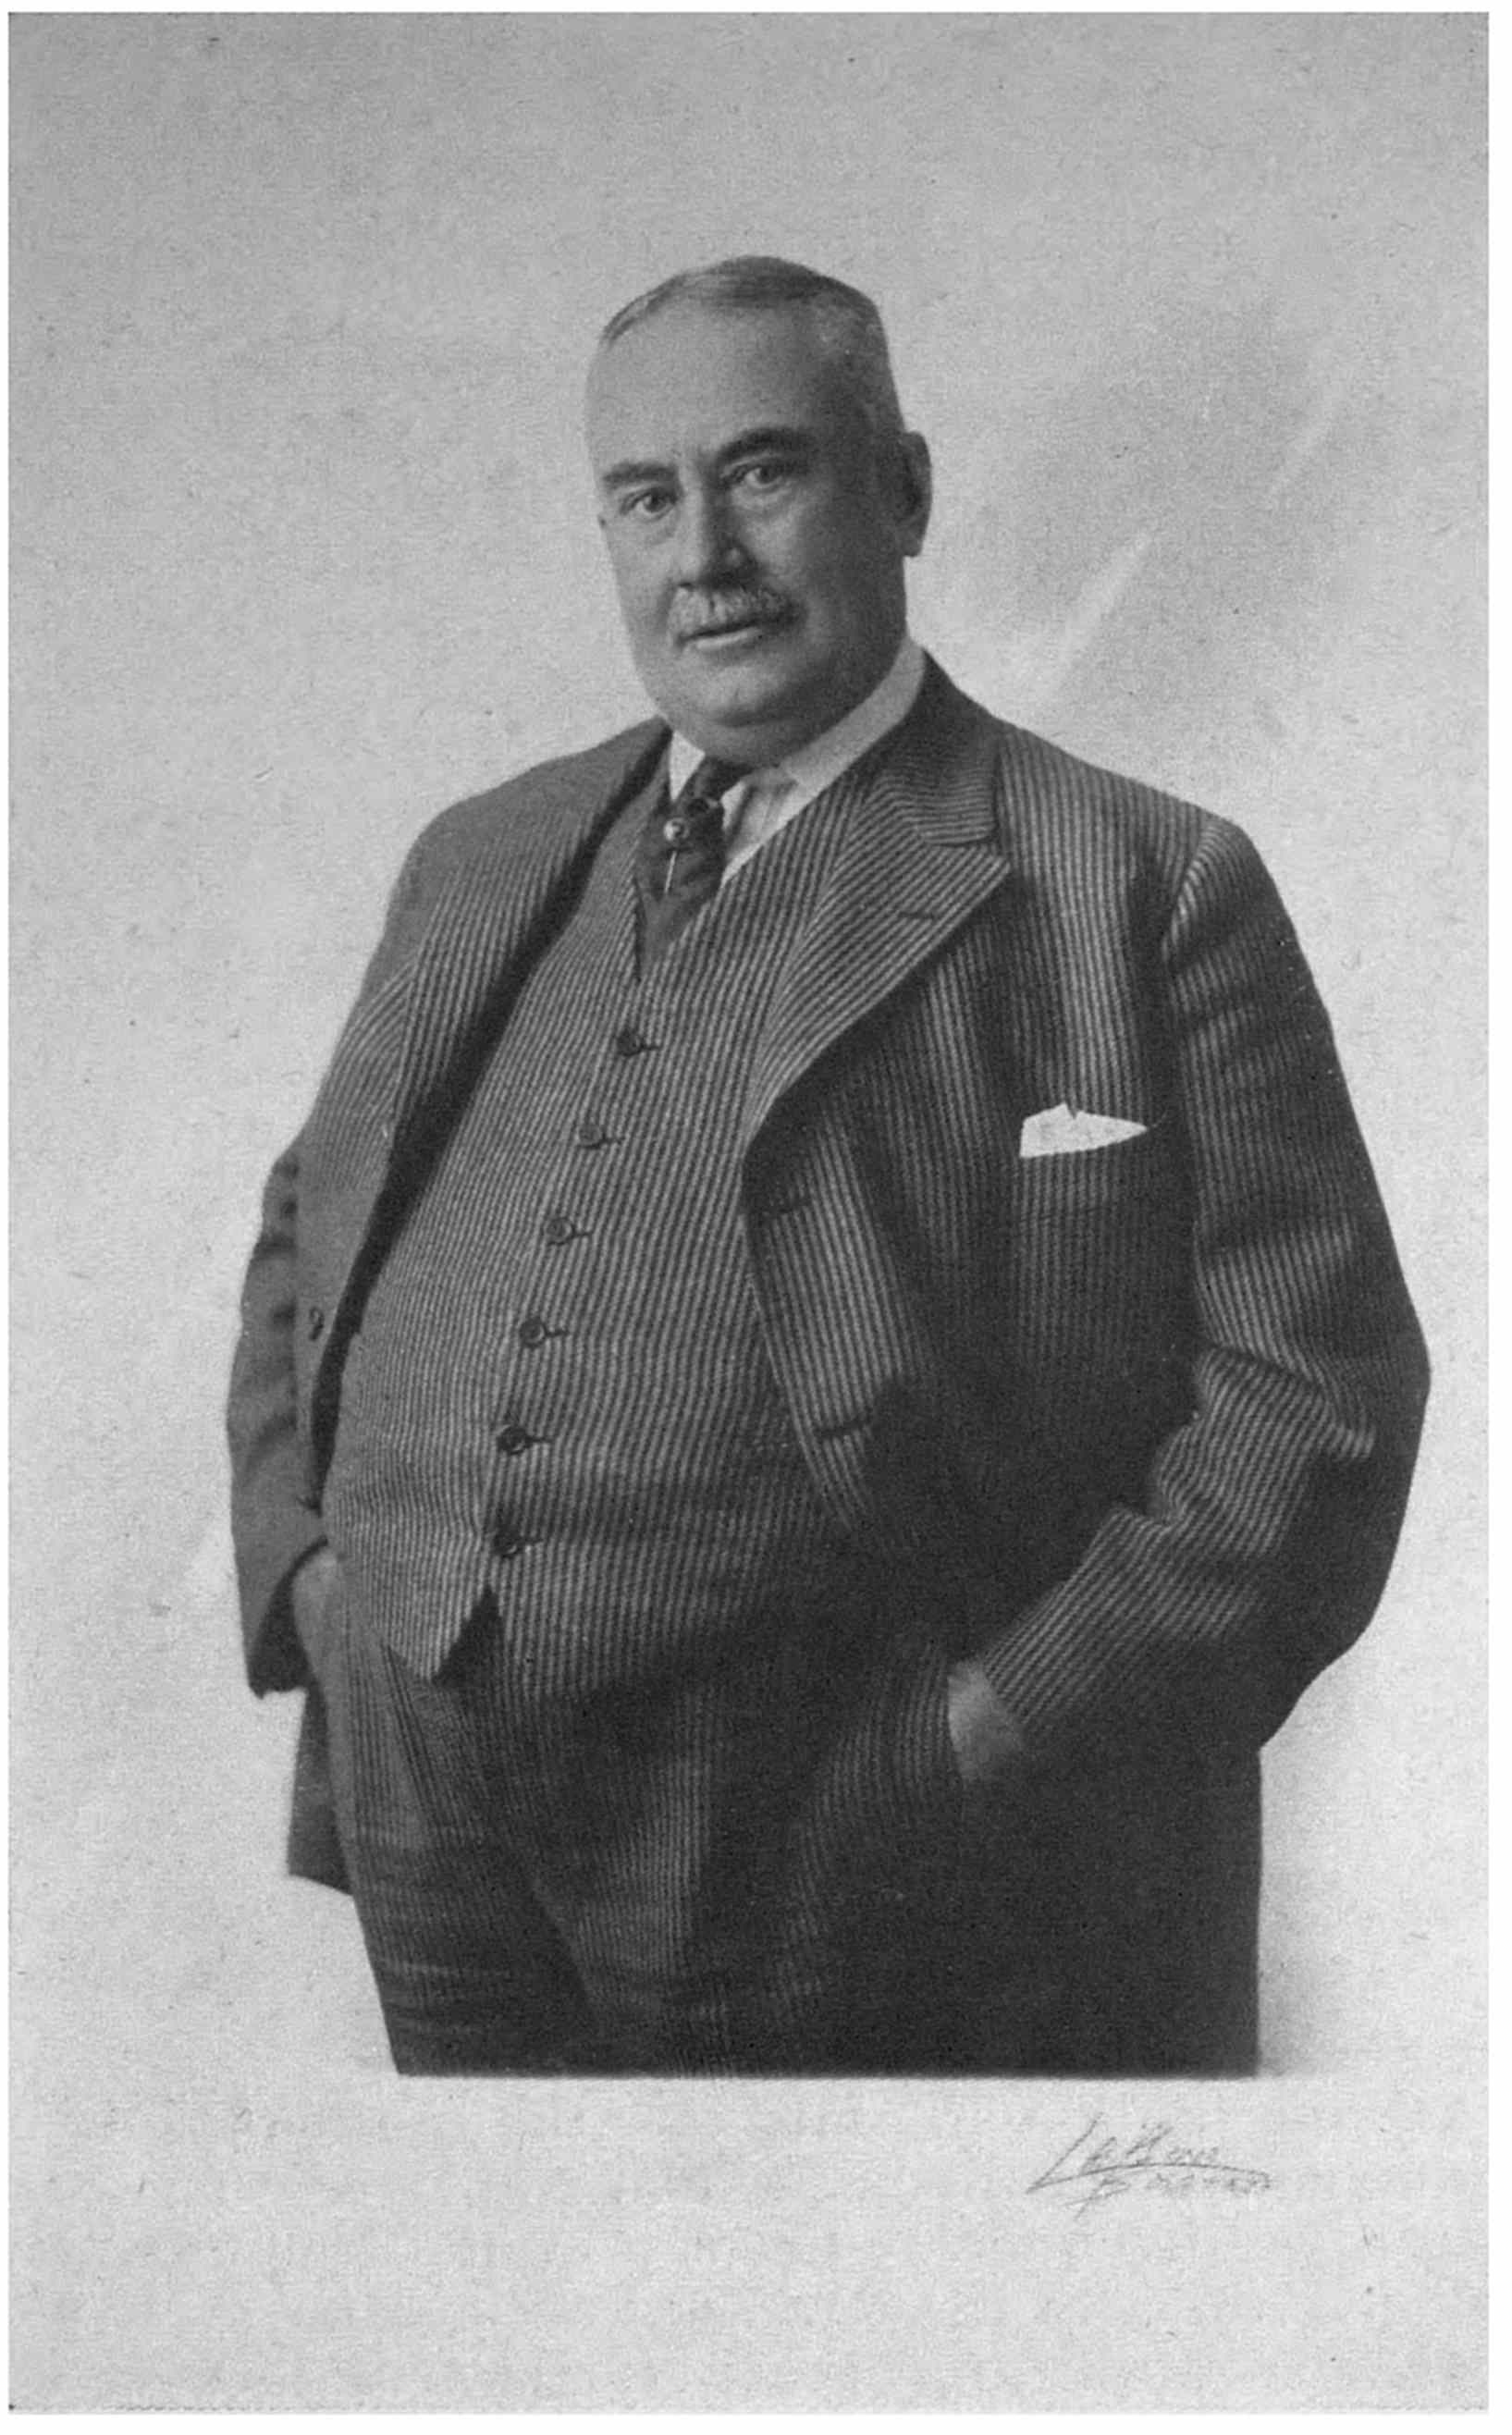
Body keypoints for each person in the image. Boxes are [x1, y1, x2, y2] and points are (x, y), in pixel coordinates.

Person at [227, 255, 1429, 2076]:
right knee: (496, 2263)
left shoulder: (1139, 881)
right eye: (646, 498)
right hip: (438, 1826)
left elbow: (1314, 1397)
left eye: (763, 472)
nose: (703, 552)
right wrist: (313, 1584)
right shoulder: (482, 855)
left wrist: (997, 1731)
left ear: (906, 490)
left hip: (889, 1862)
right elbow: (307, 1224)